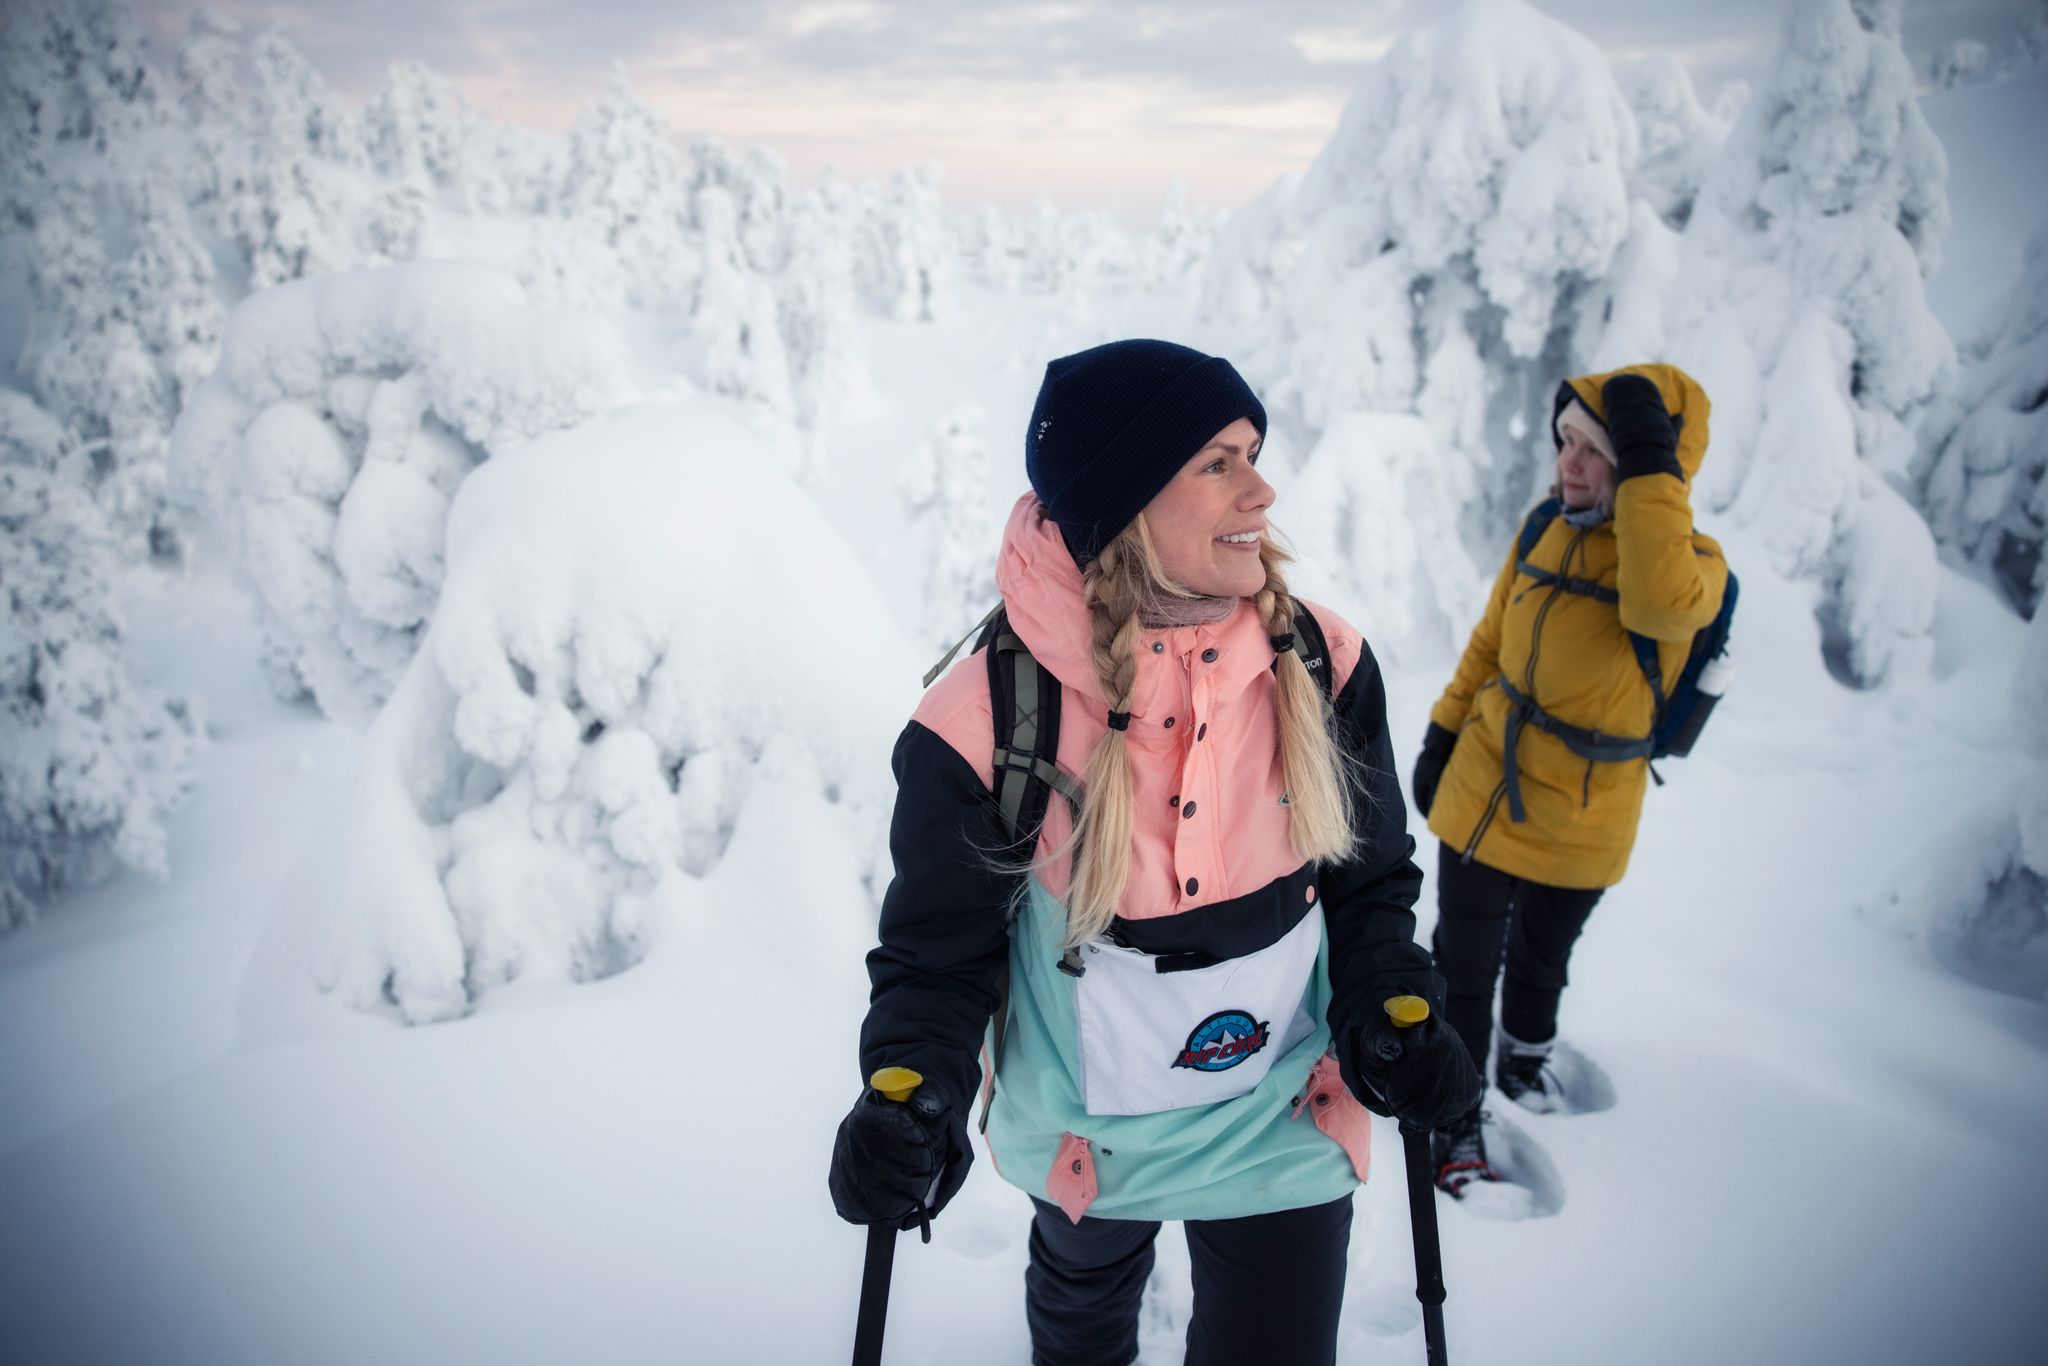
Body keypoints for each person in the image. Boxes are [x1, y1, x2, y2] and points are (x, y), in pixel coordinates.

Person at [828, 340, 1481, 1366]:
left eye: (1251, 454)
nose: (1261, 490)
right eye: (1217, 462)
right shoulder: (987, 722)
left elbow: (1368, 888)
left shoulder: (1322, 663)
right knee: (1079, 1340)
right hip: (1090, 1145)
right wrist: (913, 1089)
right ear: (1124, 500)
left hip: (1283, 1124)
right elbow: (937, 962)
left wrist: (1388, 1005)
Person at [1409, 364, 1727, 1195]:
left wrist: (1650, 468)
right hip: (1489, 784)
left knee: (1542, 959)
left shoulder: (1692, 567)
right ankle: (1456, 1114)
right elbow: (1487, 643)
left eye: (1597, 451)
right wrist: (1444, 730)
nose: (1571, 467)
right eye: (1566, 444)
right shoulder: (1545, 524)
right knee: (1464, 966)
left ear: (1651, 469)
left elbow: (1660, 606)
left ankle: (1525, 1063)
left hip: (1590, 809)